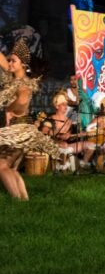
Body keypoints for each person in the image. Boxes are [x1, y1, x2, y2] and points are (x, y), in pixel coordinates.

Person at [0, 39, 60, 199]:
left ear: (24, 65)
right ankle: (24, 201)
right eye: (10, 60)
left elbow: (21, 102)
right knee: (11, 168)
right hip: (20, 129)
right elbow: (3, 62)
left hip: (18, 131)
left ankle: (18, 202)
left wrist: (9, 110)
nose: (10, 63)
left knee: (1, 166)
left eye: (13, 61)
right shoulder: (16, 78)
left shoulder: (24, 84)